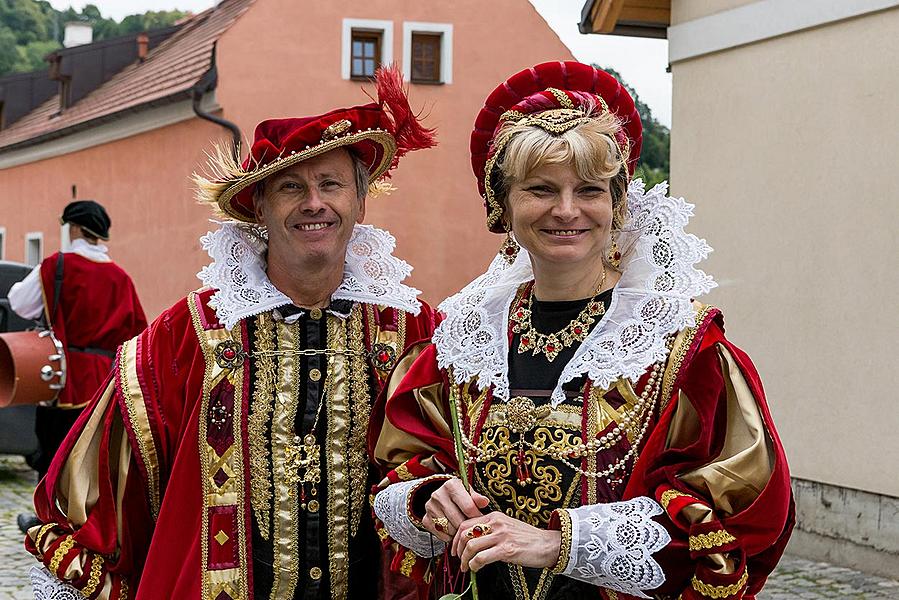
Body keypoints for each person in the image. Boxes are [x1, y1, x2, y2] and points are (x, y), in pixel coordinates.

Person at [370, 61, 794, 600]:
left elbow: (748, 514)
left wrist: (558, 543)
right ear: (502, 204)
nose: (566, 211)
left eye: (589, 190)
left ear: (618, 204)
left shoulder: (682, 349)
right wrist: (426, 497)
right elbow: (403, 469)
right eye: (541, 189)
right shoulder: (461, 344)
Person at [25, 66, 439, 600]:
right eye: (292, 187)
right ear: (259, 208)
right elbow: (104, 492)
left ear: (360, 203)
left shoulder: (414, 331)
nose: (314, 202)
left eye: (331, 184)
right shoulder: (185, 336)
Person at [8, 200, 147, 533]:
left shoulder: (58, 265)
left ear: (72, 228)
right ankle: (92, 523)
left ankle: (49, 521)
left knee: (53, 448)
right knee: (97, 455)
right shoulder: (121, 277)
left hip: (64, 376)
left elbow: (19, 303)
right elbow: (139, 331)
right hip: (107, 381)